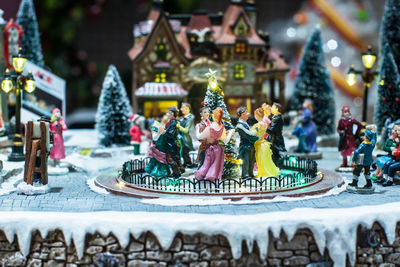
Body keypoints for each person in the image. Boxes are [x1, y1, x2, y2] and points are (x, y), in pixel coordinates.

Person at [194, 107, 235, 181]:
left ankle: (206, 178)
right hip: (219, 149)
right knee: (215, 166)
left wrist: (197, 129)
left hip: (210, 149)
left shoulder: (210, 127)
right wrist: (230, 133)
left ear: (214, 116)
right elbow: (225, 141)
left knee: (207, 164)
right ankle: (212, 178)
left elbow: (200, 137)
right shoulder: (222, 127)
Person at [252, 107, 280, 177]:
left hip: (260, 143)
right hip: (264, 143)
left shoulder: (258, 125)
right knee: (265, 159)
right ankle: (268, 171)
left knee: (261, 159)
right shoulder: (264, 124)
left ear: (257, 115)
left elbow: (253, 133)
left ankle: (264, 173)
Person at [236, 107, 258, 178]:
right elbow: (247, 136)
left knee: (251, 160)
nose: (248, 114)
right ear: (242, 114)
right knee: (246, 160)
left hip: (250, 145)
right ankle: (245, 174)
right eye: (246, 112)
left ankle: (250, 173)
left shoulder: (245, 123)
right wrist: (256, 138)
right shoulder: (240, 125)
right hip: (245, 146)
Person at [164, 106, 185, 177]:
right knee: (176, 157)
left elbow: (170, 133)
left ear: (172, 113)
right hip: (174, 142)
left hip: (172, 143)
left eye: (169, 113)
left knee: (170, 158)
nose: (167, 114)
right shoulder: (173, 121)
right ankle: (181, 169)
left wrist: (163, 132)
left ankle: (176, 173)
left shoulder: (173, 122)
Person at [266, 103, 286, 167]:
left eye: (272, 107)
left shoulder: (277, 118)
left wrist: (263, 127)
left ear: (277, 109)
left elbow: (272, 130)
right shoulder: (276, 116)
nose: (271, 109)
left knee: (275, 154)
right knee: (275, 154)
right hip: (275, 138)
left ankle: (276, 168)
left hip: (276, 139)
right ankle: (276, 167)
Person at [177, 102, 195, 168]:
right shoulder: (182, 118)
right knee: (183, 152)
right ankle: (185, 163)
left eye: (184, 108)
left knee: (185, 152)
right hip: (181, 138)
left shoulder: (190, 118)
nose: (182, 109)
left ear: (188, 109)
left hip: (186, 138)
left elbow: (186, 130)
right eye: (182, 108)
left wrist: (178, 126)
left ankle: (188, 164)